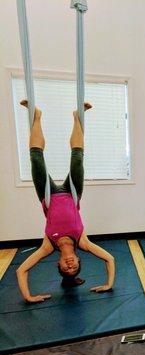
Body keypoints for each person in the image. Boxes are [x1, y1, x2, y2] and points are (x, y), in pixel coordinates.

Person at [16, 101, 115, 303]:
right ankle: (77, 116)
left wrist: (28, 297)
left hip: (48, 195)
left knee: (35, 159)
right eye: (74, 267)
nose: (70, 265)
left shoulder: (47, 246)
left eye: (66, 268)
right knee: (77, 158)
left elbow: (21, 270)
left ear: (59, 265)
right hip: (73, 192)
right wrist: (109, 284)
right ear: (79, 260)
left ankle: (37, 116)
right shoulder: (83, 242)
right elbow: (110, 259)